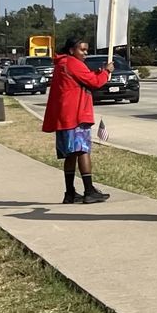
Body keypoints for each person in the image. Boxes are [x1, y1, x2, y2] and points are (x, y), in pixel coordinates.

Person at [43, 34, 111, 205]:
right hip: (76, 114)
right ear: (72, 50)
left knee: (71, 154)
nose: (85, 53)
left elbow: (82, 80)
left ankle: (70, 192)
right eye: (82, 49)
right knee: (82, 150)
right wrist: (106, 72)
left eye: (86, 49)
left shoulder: (62, 63)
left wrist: (98, 72)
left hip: (64, 115)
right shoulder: (73, 63)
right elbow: (93, 82)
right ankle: (89, 191)